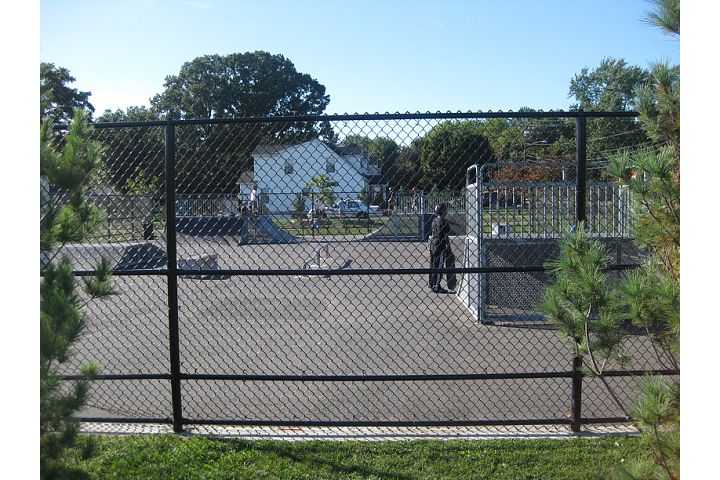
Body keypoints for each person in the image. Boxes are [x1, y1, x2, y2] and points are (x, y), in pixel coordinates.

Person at [428, 202, 457, 294]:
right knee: (439, 266)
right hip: (440, 246)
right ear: (443, 211)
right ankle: (436, 286)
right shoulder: (443, 222)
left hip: (433, 245)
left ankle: (431, 283)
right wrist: (449, 248)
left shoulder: (434, 220)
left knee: (433, 265)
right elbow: (445, 236)